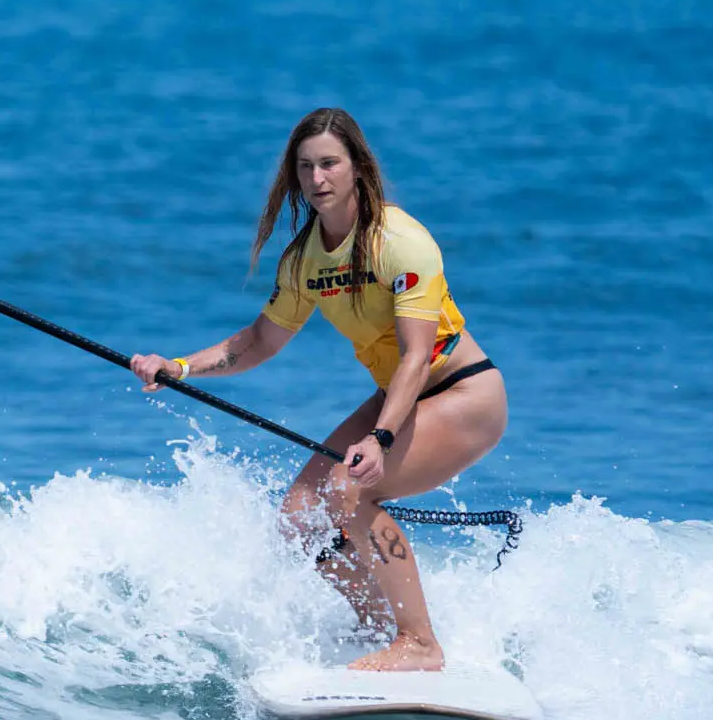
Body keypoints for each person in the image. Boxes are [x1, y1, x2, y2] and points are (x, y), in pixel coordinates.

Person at [129, 108, 506, 671]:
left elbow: (415, 355)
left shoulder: (401, 241)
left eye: (329, 163)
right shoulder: (305, 259)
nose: (317, 178)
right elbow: (259, 341)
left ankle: (420, 643)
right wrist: (179, 367)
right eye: (305, 167)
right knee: (301, 513)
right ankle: (377, 629)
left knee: (349, 488)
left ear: (357, 167)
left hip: (461, 392)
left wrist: (380, 438)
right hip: (398, 397)